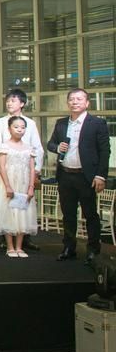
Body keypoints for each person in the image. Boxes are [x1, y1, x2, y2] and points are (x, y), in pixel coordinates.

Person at [49, 88, 111, 264]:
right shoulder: (61, 123)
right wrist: (57, 148)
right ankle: (69, 248)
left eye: (79, 99)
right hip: (65, 175)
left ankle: (93, 250)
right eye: (71, 99)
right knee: (68, 214)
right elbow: (51, 144)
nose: (74, 102)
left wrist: (101, 176)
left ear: (87, 103)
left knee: (90, 215)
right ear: (68, 102)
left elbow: (105, 151)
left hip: (87, 176)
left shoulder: (97, 123)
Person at [0, 116, 38, 258]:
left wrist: (31, 187)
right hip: (7, 182)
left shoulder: (29, 148)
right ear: (9, 129)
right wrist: (7, 186)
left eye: (22, 127)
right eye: (16, 127)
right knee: (8, 212)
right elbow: (1, 167)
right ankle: (10, 247)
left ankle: (19, 247)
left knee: (23, 213)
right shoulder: (4, 146)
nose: (19, 130)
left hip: (24, 183)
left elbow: (32, 169)